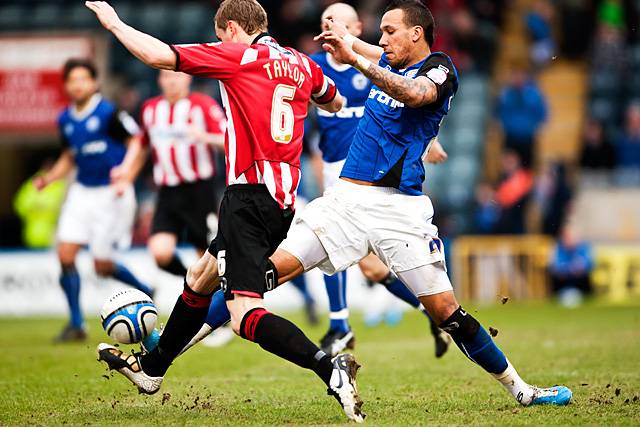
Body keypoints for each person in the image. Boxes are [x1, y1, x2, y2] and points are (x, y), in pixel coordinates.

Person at [86, 1, 364, 422]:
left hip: (248, 196)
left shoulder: (238, 56)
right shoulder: (301, 63)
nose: (219, 42)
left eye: (220, 35)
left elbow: (158, 55)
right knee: (200, 276)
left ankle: (330, 369)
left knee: (243, 314)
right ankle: (153, 369)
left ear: (232, 28)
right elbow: (336, 101)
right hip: (282, 198)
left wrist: (115, 23)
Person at [281, 0, 568, 407]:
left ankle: (521, 390)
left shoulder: (439, 68)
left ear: (417, 33)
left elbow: (415, 94)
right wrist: (349, 42)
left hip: (399, 209)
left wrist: (356, 58)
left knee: (447, 312)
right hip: (345, 200)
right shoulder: (391, 60)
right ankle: (164, 356)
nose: (382, 40)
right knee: (265, 273)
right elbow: (374, 54)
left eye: (389, 31)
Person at [310, 2, 450, 358]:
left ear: (357, 29)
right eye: (327, 22)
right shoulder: (314, 68)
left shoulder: (380, 65)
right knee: (369, 268)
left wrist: (430, 141)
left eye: (341, 24)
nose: (333, 28)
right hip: (335, 167)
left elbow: (401, 109)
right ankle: (430, 314)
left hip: (372, 174)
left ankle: (340, 325)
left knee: (333, 246)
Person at [35, 58, 153, 342]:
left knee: (102, 266)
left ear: (94, 83)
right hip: (81, 192)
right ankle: (76, 324)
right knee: (65, 253)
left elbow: (138, 143)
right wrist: (50, 178)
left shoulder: (109, 113)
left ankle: (146, 290)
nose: (77, 85)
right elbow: (69, 156)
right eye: (72, 80)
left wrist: (127, 174)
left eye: (82, 79)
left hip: (110, 195)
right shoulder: (64, 119)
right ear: (66, 86)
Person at [136, 70, 226, 278]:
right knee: (160, 253)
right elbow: (141, 146)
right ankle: (194, 282)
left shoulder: (203, 105)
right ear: (159, 80)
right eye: (166, 77)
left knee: (206, 254)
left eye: (176, 76)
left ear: (188, 78)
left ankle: (210, 297)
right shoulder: (150, 109)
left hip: (199, 190)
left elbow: (229, 139)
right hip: (167, 191)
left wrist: (204, 137)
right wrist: (125, 173)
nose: (172, 82)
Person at [496, 68, 547, 169]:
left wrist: (534, 127)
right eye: (515, 75)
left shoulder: (534, 94)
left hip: (527, 138)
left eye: (520, 75)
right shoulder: (506, 94)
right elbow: (498, 113)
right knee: (508, 168)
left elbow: (542, 113)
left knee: (526, 169)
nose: (518, 78)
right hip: (510, 137)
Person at [13, 158, 66, 249]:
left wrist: (49, 209)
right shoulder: (32, 184)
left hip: (55, 235)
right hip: (32, 234)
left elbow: (66, 207)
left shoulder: (61, 184)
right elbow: (19, 205)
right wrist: (36, 208)